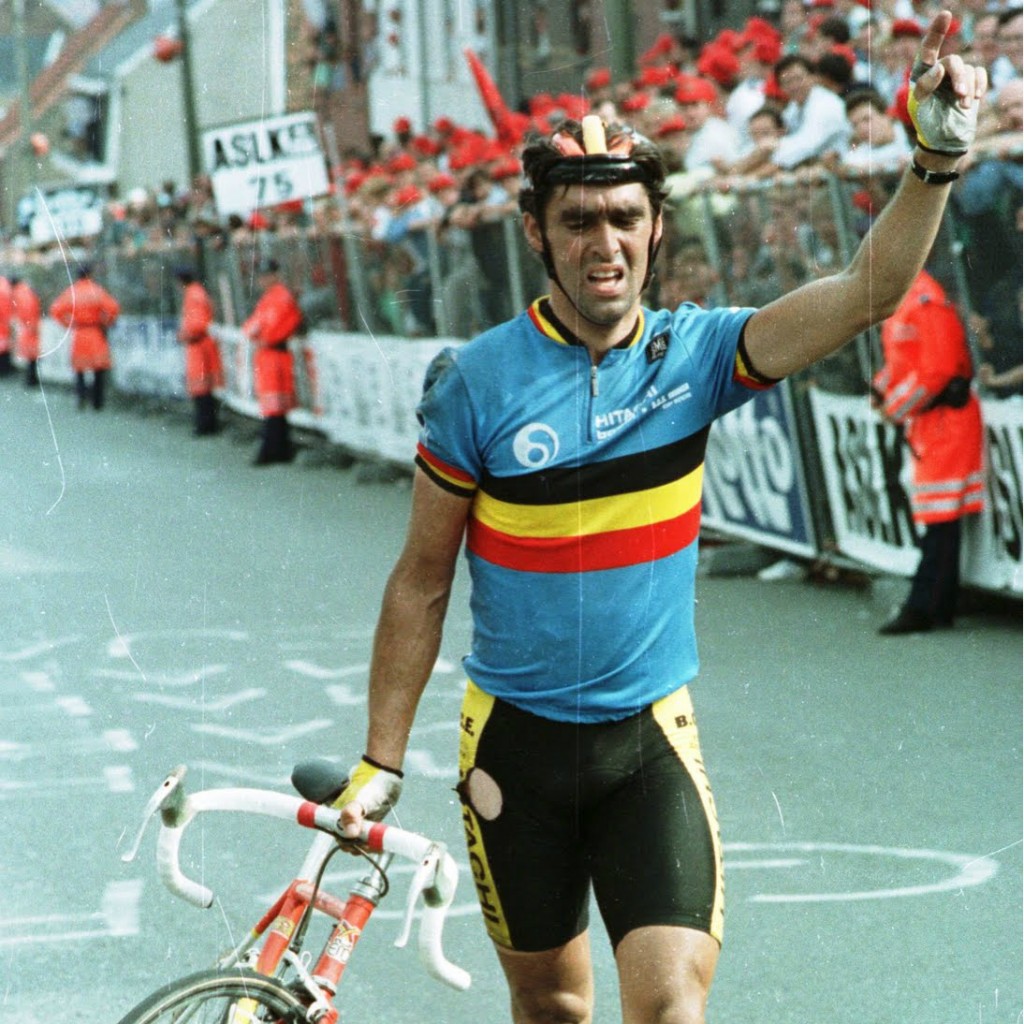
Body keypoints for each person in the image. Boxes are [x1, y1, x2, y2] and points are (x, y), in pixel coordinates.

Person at [334, 15, 984, 1023]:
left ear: (656, 228)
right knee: (553, 1006)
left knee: (670, 1002)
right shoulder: (476, 381)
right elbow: (422, 579)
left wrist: (933, 159)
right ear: (536, 232)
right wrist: (380, 760)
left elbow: (868, 292)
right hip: (514, 750)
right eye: (579, 220)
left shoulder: (699, 355)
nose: (605, 243)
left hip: (647, 742)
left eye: (625, 218)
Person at [873, 269, 986, 634]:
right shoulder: (901, 298)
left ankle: (924, 605)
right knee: (938, 517)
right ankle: (939, 603)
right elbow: (900, 363)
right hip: (928, 423)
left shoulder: (926, 300)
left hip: (948, 421)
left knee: (940, 517)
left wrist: (895, 406)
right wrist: (880, 391)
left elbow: (938, 370)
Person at [241, 257, 302, 465]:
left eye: (267, 275)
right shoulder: (268, 298)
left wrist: (261, 335)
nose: (263, 280)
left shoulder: (281, 297)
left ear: (275, 275)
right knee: (272, 403)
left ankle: (273, 449)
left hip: (275, 354)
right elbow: (251, 327)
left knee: (275, 404)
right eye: (261, 276)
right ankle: (279, 449)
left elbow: (272, 329)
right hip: (267, 355)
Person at [49, 264, 120, 410]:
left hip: (80, 334)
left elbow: (56, 310)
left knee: (79, 369)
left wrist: (68, 323)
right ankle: (97, 402)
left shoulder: (72, 292)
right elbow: (113, 307)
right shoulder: (97, 290)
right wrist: (106, 322)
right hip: (95, 332)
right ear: (90, 274)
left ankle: (81, 398)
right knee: (98, 368)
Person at [175, 267, 224, 435]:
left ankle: (205, 424)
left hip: (198, 345)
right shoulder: (197, 292)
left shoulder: (193, 295)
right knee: (203, 386)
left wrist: (184, 334)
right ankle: (207, 423)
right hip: (200, 344)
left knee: (200, 387)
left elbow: (198, 323)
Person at [10, 276, 42, 387]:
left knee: (30, 353)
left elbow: (25, 309)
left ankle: (31, 379)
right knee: (32, 354)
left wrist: (24, 321)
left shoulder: (19, 292)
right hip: (32, 324)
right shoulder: (26, 290)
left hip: (28, 326)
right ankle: (32, 378)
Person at [0, 273, 13, 378]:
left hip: (3, 324)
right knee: (4, 347)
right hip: (4, 324)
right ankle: (5, 369)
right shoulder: (5, 286)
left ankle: (4, 369)